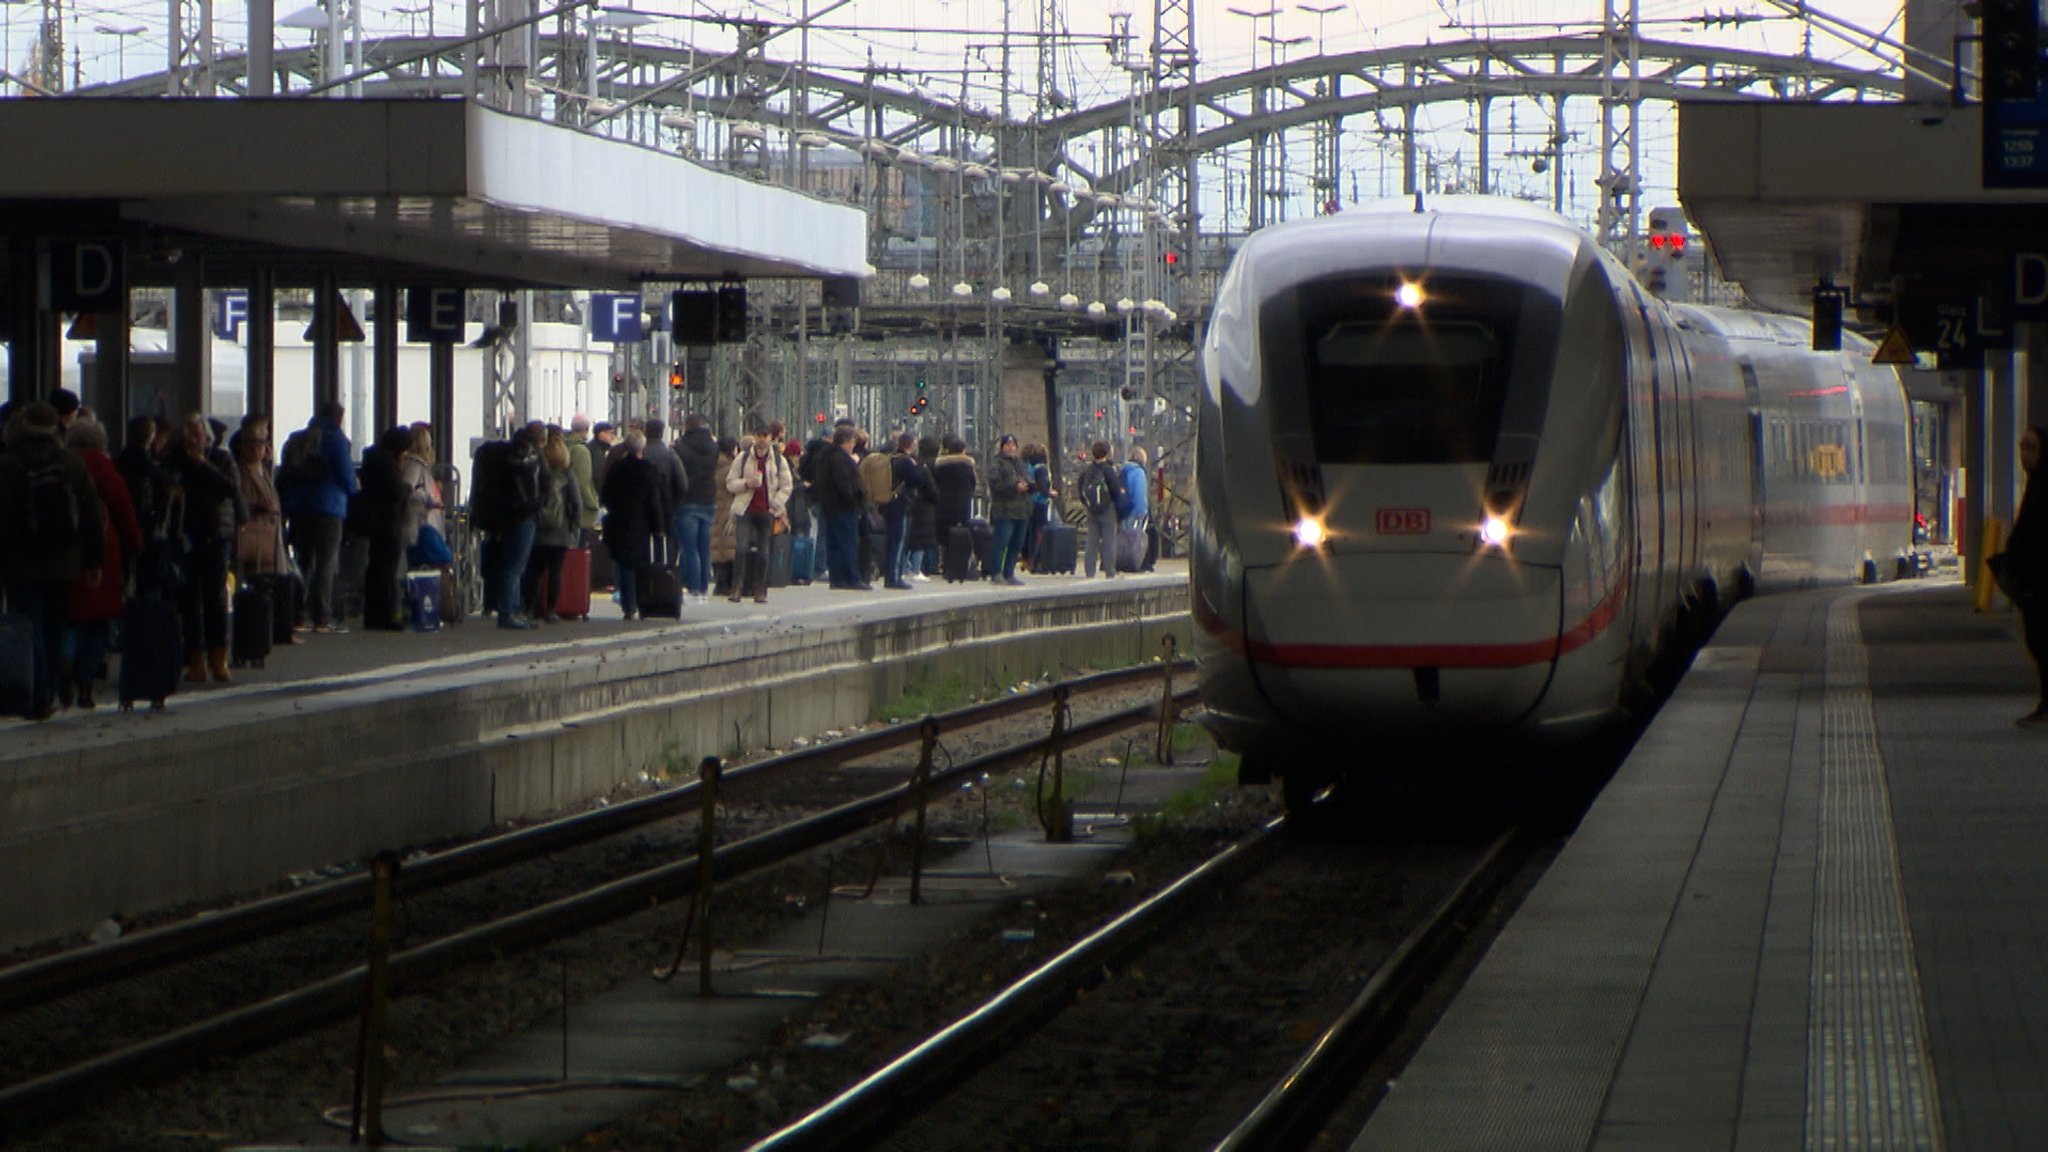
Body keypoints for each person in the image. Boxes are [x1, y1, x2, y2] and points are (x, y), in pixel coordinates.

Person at [0, 403, 104, 719]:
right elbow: (91, 515)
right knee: (55, 629)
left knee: (29, 628)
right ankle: (58, 682)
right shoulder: (70, 463)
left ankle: (39, 693)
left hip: (21, 564)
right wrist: (93, 561)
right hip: (64, 562)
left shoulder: (8, 465)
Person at [64, 420, 138, 710]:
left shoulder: (61, 466)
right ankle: (85, 684)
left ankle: (64, 668)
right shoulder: (108, 471)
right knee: (96, 623)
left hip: (66, 551)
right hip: (103, 555)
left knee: (68, 619)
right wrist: (135, 544)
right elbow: (124, 511)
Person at [163, 415, 242, 682]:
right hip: (188, 535)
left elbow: (231, 488)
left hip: (216, 535)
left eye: (198, 435)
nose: (193, 441)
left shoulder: (221, 458)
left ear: (207, 437)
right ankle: (195, 659)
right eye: (189, 436)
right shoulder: (175, 460)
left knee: (215, 599)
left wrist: (203, 465)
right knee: (189, 599)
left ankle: (218, 658)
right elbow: (165, 484)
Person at [277, 401, 357, 633]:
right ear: (338, 417)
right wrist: (354, 491)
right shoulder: (336, 440)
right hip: (329, 509)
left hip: (299, 508)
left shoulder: (297, 438)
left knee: (302, 560)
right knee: (326, 562)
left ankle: (298, 615)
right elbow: (345, 477)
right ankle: (322, 617)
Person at [2006, 426, 2048, 727]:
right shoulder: (2034, 486)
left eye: (2031, 448)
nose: (2025, 455)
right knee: (2038, 644)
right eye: (2022, 447)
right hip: (2033, 584)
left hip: (2043, 583)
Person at [600, 429, 663, 622]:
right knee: (640, 564)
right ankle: (641, 602)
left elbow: (606, 495)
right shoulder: (648, 469)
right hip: (640, 522)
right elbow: (653, 500)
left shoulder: (617, 468)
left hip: (619, 521)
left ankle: (628, 606)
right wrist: (658, 526)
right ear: (642, 447)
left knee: (624, 564)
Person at [724, 428, 793, 603]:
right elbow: (730, 483)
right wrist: (747, 483)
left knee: (764, 551)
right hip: (745, 509)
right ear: (754, 437)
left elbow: (787, 485)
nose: (762, 440)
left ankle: (759, 588)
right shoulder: (743, 458)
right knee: (741, 549)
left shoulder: (778, 460)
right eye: (759, 436)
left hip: (767, 511)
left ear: (770, 438)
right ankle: (737, 587)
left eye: (765, 436)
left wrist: (776, 504)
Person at [357, 426, 414, 631]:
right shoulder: (386, 462)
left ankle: (372, 614)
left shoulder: (371, 457)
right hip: (388, 521)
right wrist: (407, 489)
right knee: (387, 569)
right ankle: (386, 614)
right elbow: (395, 492)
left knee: (375, 568)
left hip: (374, 520)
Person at [524, 428, 584, 622]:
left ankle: (529, 609)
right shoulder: (567, 475)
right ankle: (550, 610)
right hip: (560, 531)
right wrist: (574, 529)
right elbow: (576, 504)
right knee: (556, 572)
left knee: (534, 571)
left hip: (538, 530)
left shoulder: (538, 470)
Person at [816, 426, 869, 590]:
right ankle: (851, 577)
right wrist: (855, 500)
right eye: (852, 441)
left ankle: (837, 578)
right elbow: (844, 483)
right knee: (847, 543)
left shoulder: (826, 456)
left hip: (830, 506)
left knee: (834, 544)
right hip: (843, 507)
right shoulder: (839, 458)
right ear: (845, 441)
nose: (853, 445)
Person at [674, 413, 719, 603]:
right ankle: (703, 588)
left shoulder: (680, 446)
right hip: (708, 498)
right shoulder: (713, 446)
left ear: (686, 426)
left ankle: (693, 590)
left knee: (690, 549)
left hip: (687, 499)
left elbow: (677, 472)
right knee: (704, 548)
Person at [884, 433, 937, 588]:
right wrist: (918, 466)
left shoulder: (891, 459)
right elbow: (918, 480)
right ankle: (894, 577)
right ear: (910, 445)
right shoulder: (907, 462)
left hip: (889, 503)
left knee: (891, 541)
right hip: (901, 504)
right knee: (898, 543)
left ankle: (891, 575)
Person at [986, 434, 1033, 586]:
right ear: (1002, 447)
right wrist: (1013, 487)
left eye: (1013, 445)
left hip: (1022, 510)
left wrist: (1030, 486)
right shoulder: (997, 463)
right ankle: (995, 572)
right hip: (1004, 510)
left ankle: (1009, 571)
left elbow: (1029, 479)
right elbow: (994, 485)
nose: (1011, 448)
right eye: (1008, 445)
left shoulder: (1020, 463)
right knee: (1001, 542)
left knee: (1017, 543)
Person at [1078, 439, 1125, 580]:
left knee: (1092, 540)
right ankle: (1110, 571)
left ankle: (1089, 571)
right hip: (1107, 509)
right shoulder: (1108, 469)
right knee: (1109, 540)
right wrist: (1119, 494)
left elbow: (1080, 488)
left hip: (1091, 510)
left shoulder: (1087, 470)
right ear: (1107, 452)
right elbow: (1115, 490)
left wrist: (1087, 504)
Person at [930, 435, 979, 545]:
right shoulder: (968, 466)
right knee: (961, 535)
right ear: (963, 450)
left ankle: (944, 559)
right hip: (963, 504)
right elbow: (973, 484)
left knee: (943, 536)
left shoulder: (940, 465)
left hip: (943, 504)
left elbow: (935, 483)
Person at [709, 436, 738, 596]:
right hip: (727, 510)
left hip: (714, 509)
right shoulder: (729, 468)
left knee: (716, 546)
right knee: (728, 547)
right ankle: (727, 583)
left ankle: (719, 582)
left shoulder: (712, 465)